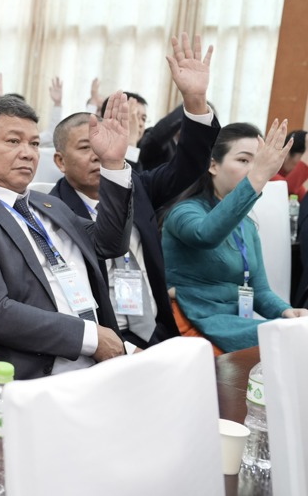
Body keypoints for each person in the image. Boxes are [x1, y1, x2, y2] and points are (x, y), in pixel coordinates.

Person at [0, 93, 133, 380]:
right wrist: (90, 338)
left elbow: (111, 244)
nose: (28, 153)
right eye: (14, 141)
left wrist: (114, 165)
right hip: (33, 375)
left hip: (98, 364)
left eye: (33, 143)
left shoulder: (47, 204)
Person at [50, 33, 221, 348]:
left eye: (102, 144)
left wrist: (195, 101)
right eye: (86, 147)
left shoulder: (136, 186)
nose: (97, 155)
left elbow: (190, 165)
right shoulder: (52, 212)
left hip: (155, 328)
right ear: (60, 161)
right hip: (103, 338)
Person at [161, 121, 308, 352]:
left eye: (257, 161)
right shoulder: (185, 211)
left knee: (296, 334)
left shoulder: (246, 224)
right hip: (195, 321)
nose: (253, 168)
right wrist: (258, 175)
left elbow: (259, 290)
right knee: (287, 344)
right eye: (244, 160)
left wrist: (287, 312)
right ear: (213, 165)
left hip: (233, 322)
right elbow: (207, 234)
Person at [270, 129, 307, 201]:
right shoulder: (269, 171)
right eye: (302, 160)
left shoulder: (296, 186)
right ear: (287, 152)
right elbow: (284, 190)